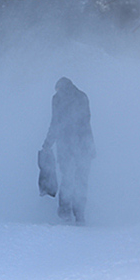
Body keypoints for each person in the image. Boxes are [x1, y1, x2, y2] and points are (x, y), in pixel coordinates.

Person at [42, 77, 95, 223]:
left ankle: (65, 212)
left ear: (60, 88)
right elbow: (86, 122)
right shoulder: (82, 96)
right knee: (82, 180)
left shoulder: (58, 99)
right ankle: (80, 214)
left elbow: (55, 122)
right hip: (84, 145)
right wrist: (90, 146)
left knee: (67, 178)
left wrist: (47, 143)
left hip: (66, 144)